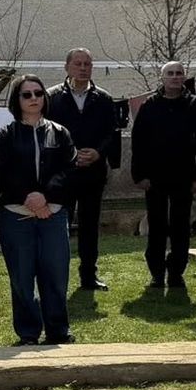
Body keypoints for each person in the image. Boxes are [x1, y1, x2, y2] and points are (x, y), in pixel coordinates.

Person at [0, 77, 76, 345]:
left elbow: (69, 169)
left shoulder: (60, 133)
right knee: (21, 277)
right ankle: (28, 333)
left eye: (38, 93)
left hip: (52, 214)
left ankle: (57, 331)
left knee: (55, 274)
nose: (34, 98)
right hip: (16, 215)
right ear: (17, 100)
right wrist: (29, 198)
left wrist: (45, 197)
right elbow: (1, 173)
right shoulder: (6, 135)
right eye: (26, 95)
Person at [130, 60, 196, 294]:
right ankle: (157, 273)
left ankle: (176, 272)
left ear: (184, 77)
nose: (175, 77)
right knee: (156, 225)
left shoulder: (195, 106)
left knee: (180, 226)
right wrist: (139, 175)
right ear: (162, 78)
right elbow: (138, 143)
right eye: (170, 73)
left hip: (184, 176)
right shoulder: (149, 106)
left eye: (179, 73)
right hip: (154, 177)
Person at [43, 49, 122, 291]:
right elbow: (44, 132)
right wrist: (69, 155)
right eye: (78, 63)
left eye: (87, 64)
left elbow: (112, 133)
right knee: (59, 226)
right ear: (67, 67)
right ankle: (57, 276)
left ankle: (89, 276)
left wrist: (98, 153)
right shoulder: (52, 97)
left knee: (90, 226)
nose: (83, 68)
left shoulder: (104, 99)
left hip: (93, 173)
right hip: (62, 174)